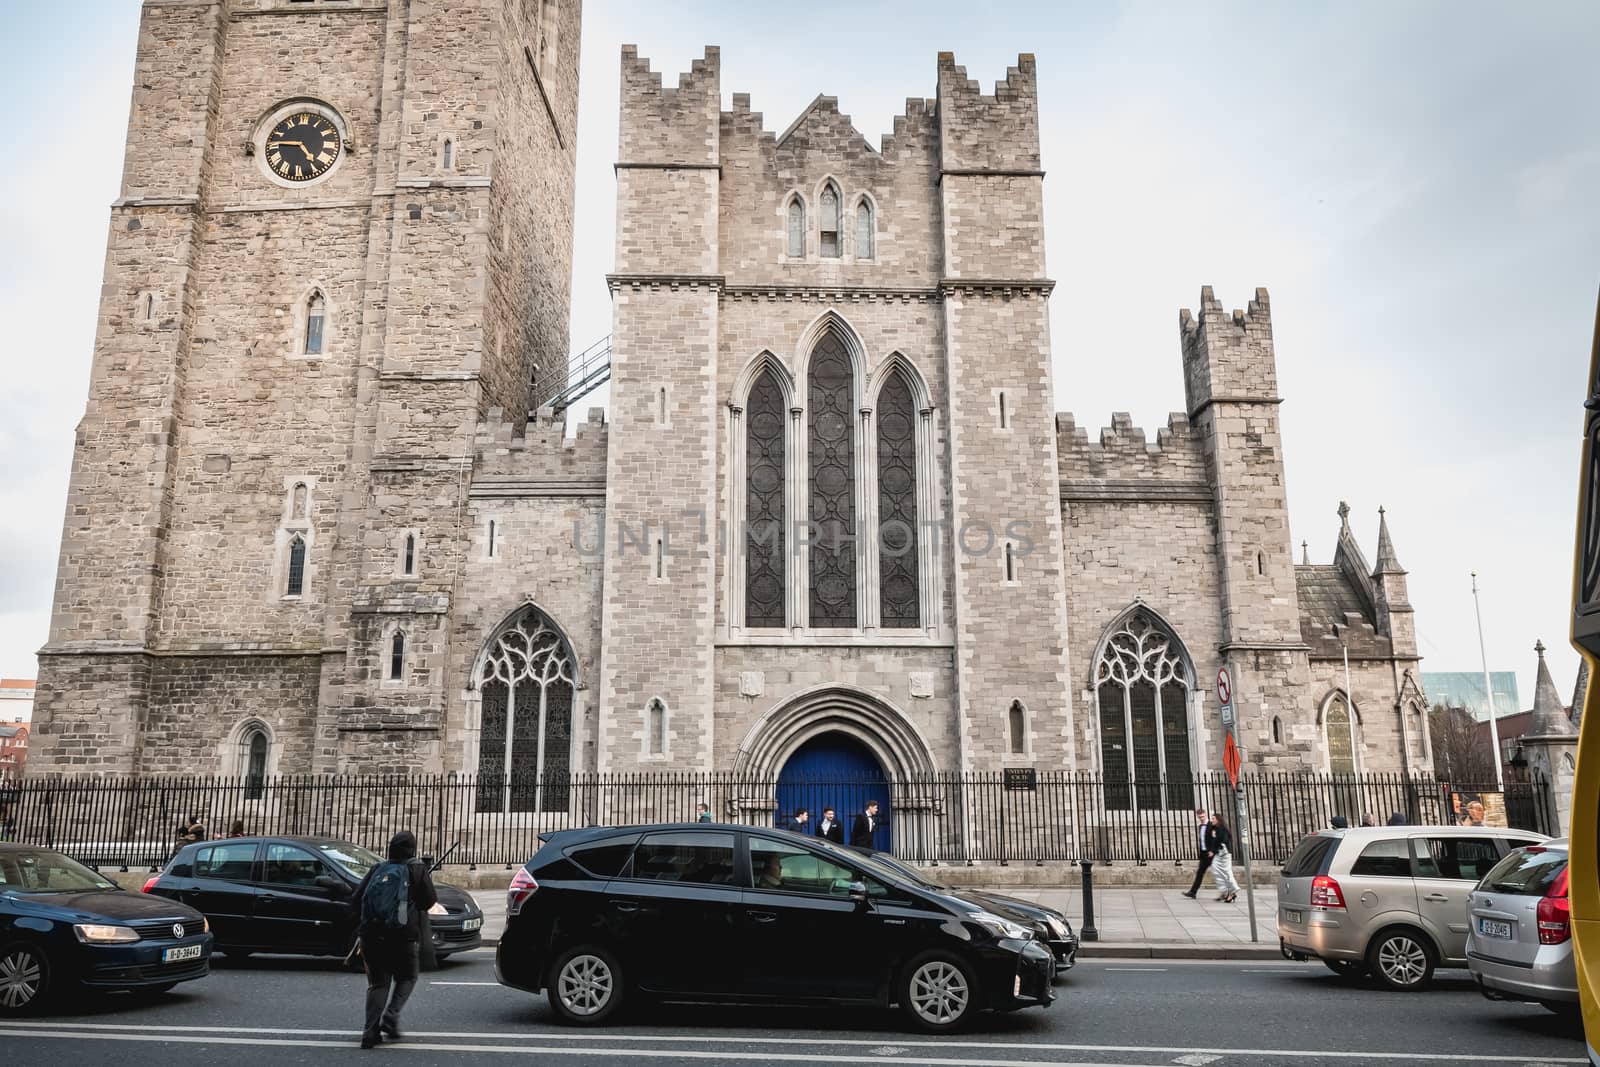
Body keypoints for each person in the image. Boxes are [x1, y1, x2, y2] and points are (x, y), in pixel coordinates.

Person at [352, 830, 438, 1049]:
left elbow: (356, 900)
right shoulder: (417, 868)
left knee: (378, 983)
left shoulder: (378, 868)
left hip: (371, 935)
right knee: (408, 976)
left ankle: (369, 1033)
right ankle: (391, 1015)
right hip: (402, 936)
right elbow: (428, 902)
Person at [1207, 812, 1239, 903]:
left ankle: (1232, 891)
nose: (1211, 820)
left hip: (1224, 854)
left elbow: (1221, 840)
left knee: (1226, 872)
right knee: (1216, 870)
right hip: (1219, 854)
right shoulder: (1216, 829)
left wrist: (1213, 850)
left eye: (1213, 819)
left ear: (1218, 820)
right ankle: (1226, 892)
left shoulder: (1221, 829)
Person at [1180, 808, 1212, 899]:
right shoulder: (1200, 826)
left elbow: (1213, 839)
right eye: (1199, 817)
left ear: (1205, 815)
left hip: (1212, 854)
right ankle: (1193, 892)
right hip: (1204, 854)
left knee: (1219, 873)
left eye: (1202, 816)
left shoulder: (1211, 825)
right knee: (1200, 873)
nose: (1201, 818)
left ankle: (1228, 892)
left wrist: (1212, 851)